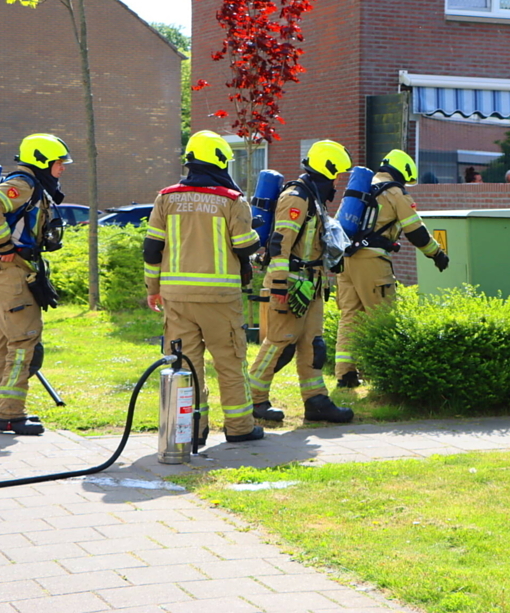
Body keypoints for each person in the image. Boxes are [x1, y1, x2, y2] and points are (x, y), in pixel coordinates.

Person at [144, 130, 264, 444]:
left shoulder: (165, 197)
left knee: (184, 366)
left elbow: (152, 249)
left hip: (176, 298)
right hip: (220, 298)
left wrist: (152, 288)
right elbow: (244, 245)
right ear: (220, 160)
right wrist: (257, 231)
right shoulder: (232, 200)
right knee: (229, 362)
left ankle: (190, 432)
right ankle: (239, 428)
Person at [247, 140, 355, 423]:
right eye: (336, 174)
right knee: (280, 343)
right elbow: (279, 244)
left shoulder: (313, 198)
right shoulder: (296, 197)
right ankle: (253, 399)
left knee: (313, 345)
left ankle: (316, 401)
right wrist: (279, 285)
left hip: (311, 285)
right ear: (326, 168)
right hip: (291, 285)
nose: (337, 181)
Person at [0, 133, 72, 435]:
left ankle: (0, 411)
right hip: (10, 272)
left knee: (5, 342)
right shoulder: (24, 184)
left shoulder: (32, 185)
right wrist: (5, 246)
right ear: (42, 162)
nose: (62, 168)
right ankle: (10, 415)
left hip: (7, 273)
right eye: (59, 163)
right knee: (23, 342)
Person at [334, 150, 449, 388]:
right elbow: (416, 231)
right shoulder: (394, 192)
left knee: (350, 317)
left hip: (347, 259)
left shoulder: (366, 186)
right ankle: (382, 377)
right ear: (403, 171)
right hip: (372, 261)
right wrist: (436, 254)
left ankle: (345, 374)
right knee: (382, 317)